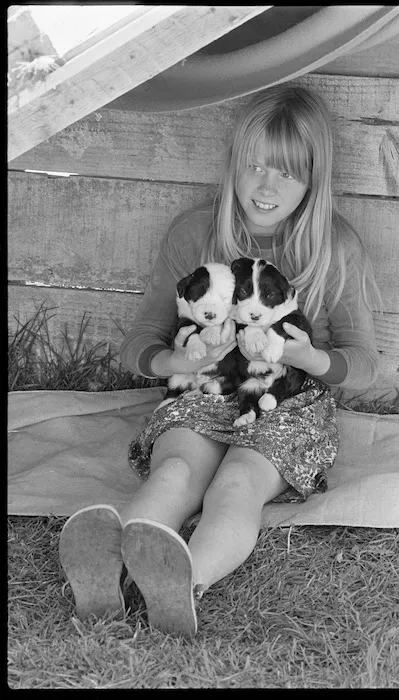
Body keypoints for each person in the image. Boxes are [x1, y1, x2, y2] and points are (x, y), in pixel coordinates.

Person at [59, 83, 381, 638]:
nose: (266, 184)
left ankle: (183, 587)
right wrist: (174, 362)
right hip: (202, 391)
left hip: (288, 406)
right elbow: (141, 339)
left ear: (313, 179)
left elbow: (366, 363)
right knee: (177, 471)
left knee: (235, 487)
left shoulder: (334, 247)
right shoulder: (194, 234)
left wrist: (310, 356)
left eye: (286, 171)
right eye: (255, 165)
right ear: (232, 164)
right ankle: (107, 572)